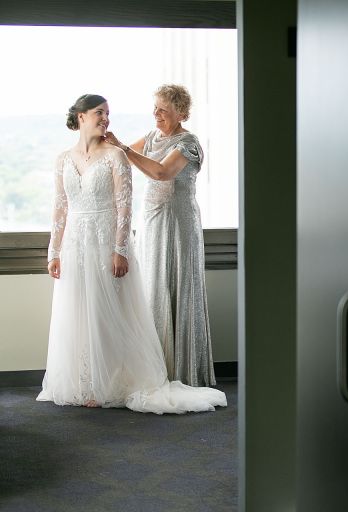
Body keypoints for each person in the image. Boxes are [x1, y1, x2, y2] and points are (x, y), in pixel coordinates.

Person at [37, 93, 226, 414]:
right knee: (77, 310)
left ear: (180, 113)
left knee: (106, 312)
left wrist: (120, 249)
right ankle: (83, 381)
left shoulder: (118, 156)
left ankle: (108, 381)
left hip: (109, 239)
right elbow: (60, 206)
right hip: (75, 244)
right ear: (80, 117)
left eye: (107, 114)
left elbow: (126, 204)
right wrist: (53, 250)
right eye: (99, 113)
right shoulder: (63, 159)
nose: (106, 119)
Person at [104, 84, 216, 387]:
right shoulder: (153, 136)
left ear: (180, 113)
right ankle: (153, 367)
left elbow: (162, 173)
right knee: (152, 285)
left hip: (178, 220)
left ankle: (181, 371)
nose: (156, 114)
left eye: (163, 109)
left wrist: (124, 148)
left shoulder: (188, 142)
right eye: (155, 108)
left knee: (176, 283)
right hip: (151, 219)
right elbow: (122, 157)